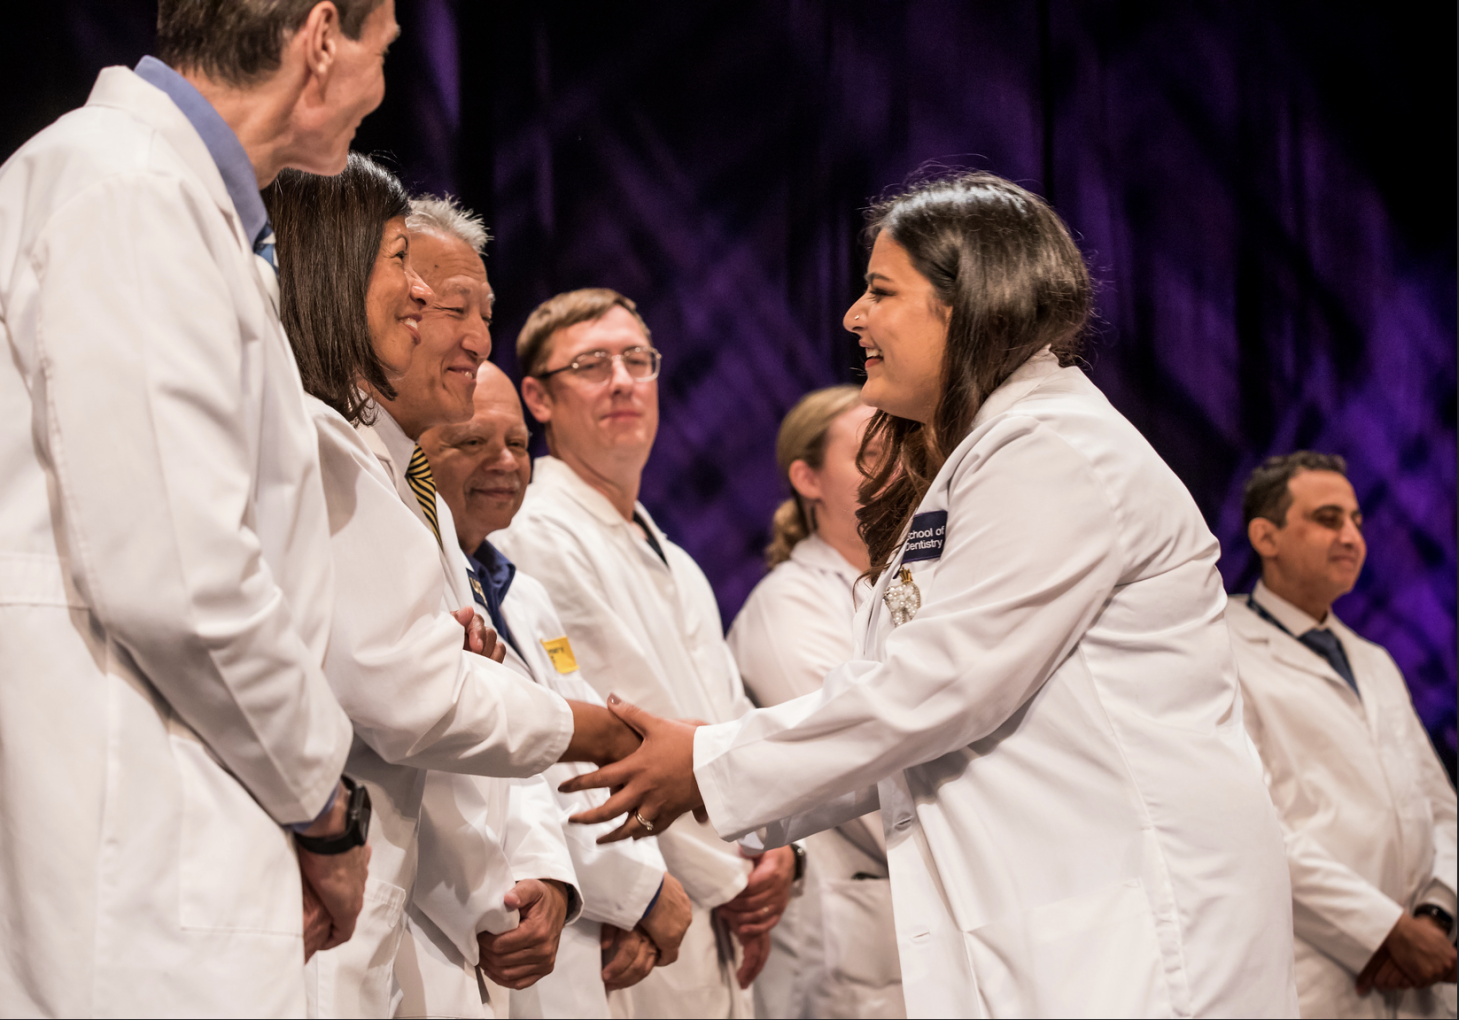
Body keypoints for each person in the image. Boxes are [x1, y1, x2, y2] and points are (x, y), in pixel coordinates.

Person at [563, 172, 1301, 1018]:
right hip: (1067, 903)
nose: (852, 317)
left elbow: (938, 690)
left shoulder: (1056, 452)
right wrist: (714, 768)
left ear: (970, 305)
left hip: (1139, 920)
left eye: (881, 291)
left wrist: (706, 764)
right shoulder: (995, 455)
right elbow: (918, 712)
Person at [0, 1, 402, 1013]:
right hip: (126, 890)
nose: (385, 88)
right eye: (384, 47)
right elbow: (181, 583)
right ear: (321, 38)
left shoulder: (157, 198)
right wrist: (325, 806)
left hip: (140, 863)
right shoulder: (131, 193)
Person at [266, 161, 642, 1018]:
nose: (466, 333)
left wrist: (531, 874)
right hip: (344, 921)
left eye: (483, 314)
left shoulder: (405, 484)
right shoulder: (330, 453)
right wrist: (597, 733)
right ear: (335, 273)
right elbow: (411, 698)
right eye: (408, 273)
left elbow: (453, 697)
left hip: (420, 918)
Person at [493, 289, 801, 1019]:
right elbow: (614, 736)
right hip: (642, 901)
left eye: (638, 360)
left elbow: (724, 716)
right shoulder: (537, 531)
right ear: (537, 396)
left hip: (716, 891)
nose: (624, 380)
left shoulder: (676, 556)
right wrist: (736, 877)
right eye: (592, 364)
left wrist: (774, 846)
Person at [422, 355, 696, 1018]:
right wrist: (639, 893)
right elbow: (508, 763)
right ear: (414, 455)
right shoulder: (425, 584)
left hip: (580, 922)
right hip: (504, 917)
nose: (506, 462)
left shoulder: (523, 592)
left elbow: (582, 766)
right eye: (472, 441)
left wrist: (639, 892)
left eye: (517, 443)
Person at [1226, 452, 1457, 1019]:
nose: (1352, 536)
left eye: (1356, 520)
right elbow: (1248, 823)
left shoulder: (1373, 659)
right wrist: (1381, 931)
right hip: (1320, 967)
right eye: (1329, 519)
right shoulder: (1218, 643)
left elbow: (1440, 807)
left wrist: (1435, 915)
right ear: (1266, 536)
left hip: (1422, 964)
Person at [727, 385, 905, 1020]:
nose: (897, 467)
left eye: (903, 447)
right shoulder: (788, 607)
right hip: (845, 936)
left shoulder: (908, 586)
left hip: (909, 921)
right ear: (808, 478)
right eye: (870, 453)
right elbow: (852, 757)